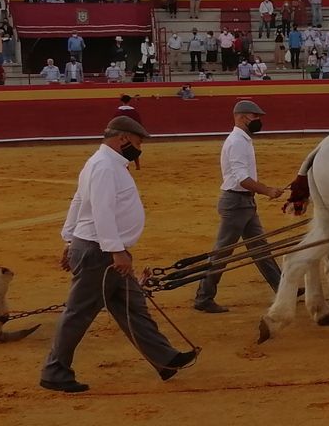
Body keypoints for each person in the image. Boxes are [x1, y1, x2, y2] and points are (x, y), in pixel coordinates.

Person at [38, 116, 197, 392]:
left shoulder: (102, 163)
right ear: (123, 139)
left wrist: (69, 239)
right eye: (137, 142)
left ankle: (165, 359)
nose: (139, 148)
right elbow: (101, 211)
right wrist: (116, 251)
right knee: (78, 313)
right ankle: (55, 371)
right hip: (101, 253)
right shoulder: (104, 166)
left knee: (132, 307)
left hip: (99, 249)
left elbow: (79, 202)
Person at [192, 100, 284, 314]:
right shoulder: (237, 142)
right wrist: (267, 190)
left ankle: (282, 288)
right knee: (221, 253)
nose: (259, 121)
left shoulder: (242, 140)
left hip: (244, 203)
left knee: (260, 248)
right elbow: (242, 178)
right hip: (236, 203)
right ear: (243, 117)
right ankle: (203, 298)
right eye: (256, 117)